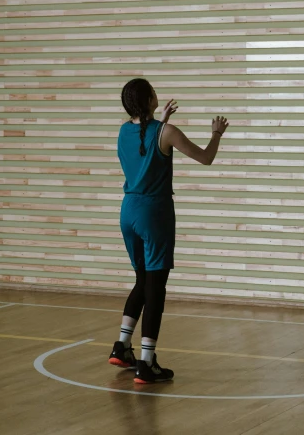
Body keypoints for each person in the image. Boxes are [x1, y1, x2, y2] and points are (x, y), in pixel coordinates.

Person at [108, 78, 229, 384]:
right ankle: (147, 363)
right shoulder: (168, 133)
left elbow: (145, 142)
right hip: (154, 212)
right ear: (150, 99)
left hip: (128, 212)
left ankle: (122, 346)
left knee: (141, 280)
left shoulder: (124, 131)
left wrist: (160, 120)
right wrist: (216, 135)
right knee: (156, 288)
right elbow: (206, 157)